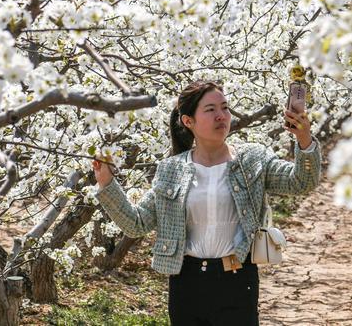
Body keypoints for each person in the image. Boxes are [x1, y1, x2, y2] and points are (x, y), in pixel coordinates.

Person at [92, 80, 322, 325]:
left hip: (238, 279)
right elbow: (136, 224)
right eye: (211, 110)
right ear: (188, 121)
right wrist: (106, 183)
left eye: (225, 108)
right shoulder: (172, 169)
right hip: (186, 283)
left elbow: (301, 182)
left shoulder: (252, 159)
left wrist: (304, 139)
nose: (221, 116)